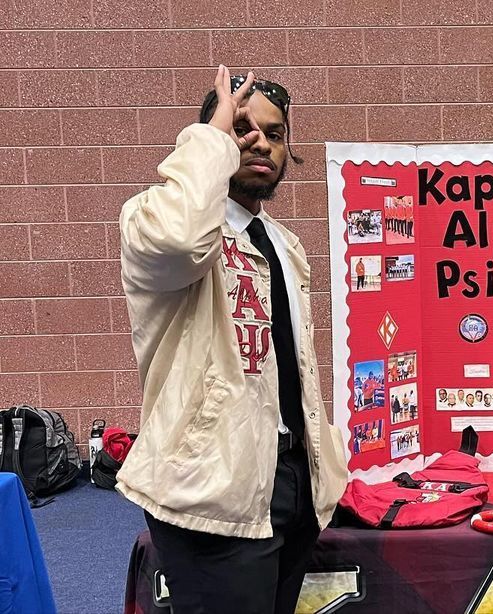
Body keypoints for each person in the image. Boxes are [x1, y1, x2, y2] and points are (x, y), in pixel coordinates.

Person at [116, 66, 348, 614]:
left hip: (291, 481)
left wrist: (321, 467)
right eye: (242, 129)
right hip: (211, 485)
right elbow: (181, 240)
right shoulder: (157, 222)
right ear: (214, 143)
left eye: (275, 132)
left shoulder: (285, 245)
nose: (260, 142)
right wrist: (212, 136)